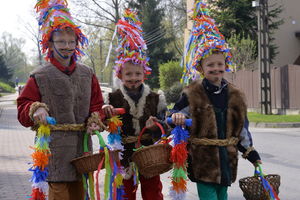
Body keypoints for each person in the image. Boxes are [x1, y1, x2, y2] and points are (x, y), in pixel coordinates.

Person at [170, 1, 261, 200]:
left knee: (223, 195)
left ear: (225, 65)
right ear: (201, 68)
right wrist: (175, 116)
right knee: (209, 196)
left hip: (227, 160)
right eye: (210, 65)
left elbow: (241, 129)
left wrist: (251, 153)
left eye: (220, 64)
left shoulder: (235, 95)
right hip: (203, 161)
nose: (216, 68)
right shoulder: (192, 93)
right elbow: (174, 114)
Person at [17, 0, 105, 199]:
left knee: (81, 195)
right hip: (54, 152)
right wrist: (35, 109)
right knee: (59, 194)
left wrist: (95, 120)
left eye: (71, 41)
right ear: (50, 43)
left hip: (82, 151)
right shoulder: (39, 76)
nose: (67, 47)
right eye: (61, 42)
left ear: (77, 42)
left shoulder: (87, 74)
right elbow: (22, 109)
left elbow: (97, 106)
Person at [102, 9, 166, 200]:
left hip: (149, 155)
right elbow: (104, 124)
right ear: (120, 75)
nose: (133, 78)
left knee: (153, 193)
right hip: (123, 156)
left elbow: (166, 125)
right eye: (128, 74)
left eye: (138, 74)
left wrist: (157, 126)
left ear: (144, 74)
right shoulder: (111, 99)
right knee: (124, 194)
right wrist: (106, 114)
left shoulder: (156, 98)